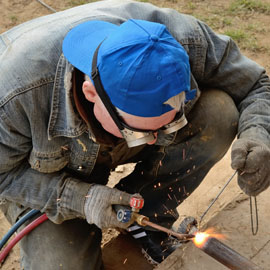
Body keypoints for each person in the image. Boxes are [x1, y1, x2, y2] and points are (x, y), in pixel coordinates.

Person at [0, 0, 270, 269]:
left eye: (168, 126)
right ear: (91, 94)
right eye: (139, 132)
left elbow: (256, 83)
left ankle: (147, 215)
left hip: (106, 140)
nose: (155, 140)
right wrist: (79, 198)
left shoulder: (181, 44)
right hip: (46, 176)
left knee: (219, 113)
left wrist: (257, 134)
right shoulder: (14, 99)